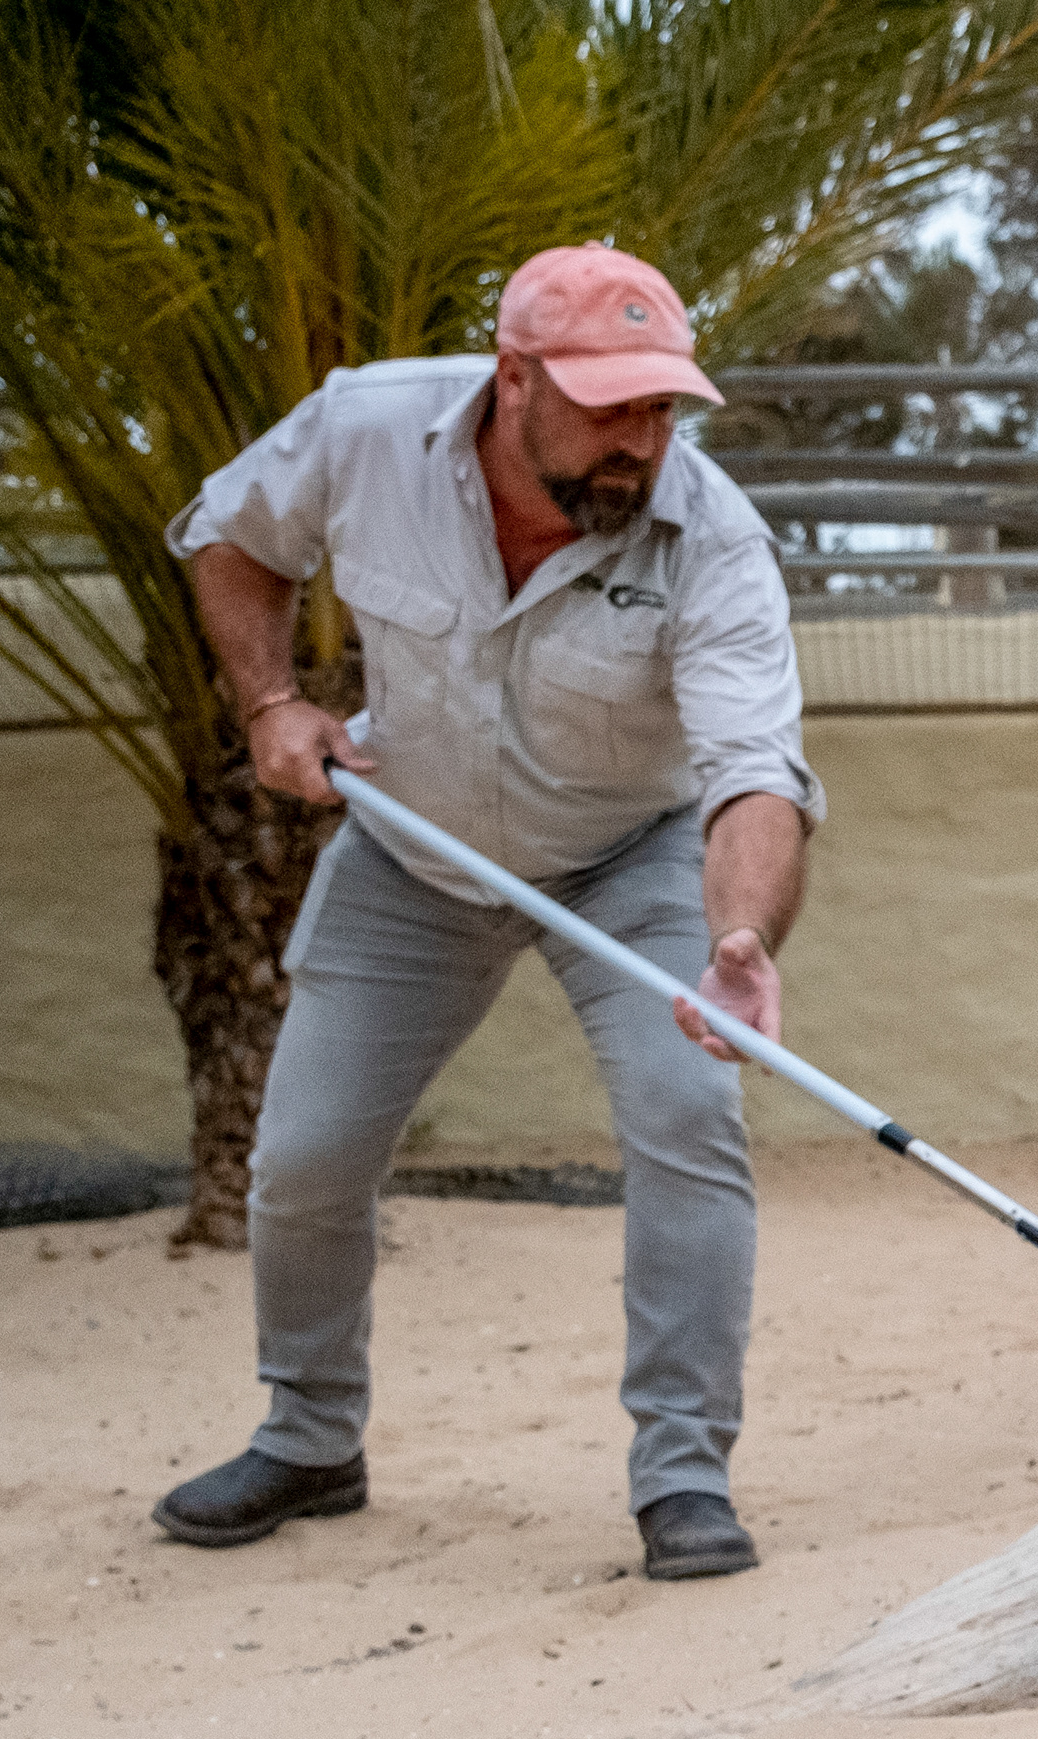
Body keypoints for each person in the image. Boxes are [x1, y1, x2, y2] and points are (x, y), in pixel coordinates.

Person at [151, 245, 823, 1580]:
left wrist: (740, 937)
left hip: (629, 861)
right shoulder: (362, 428)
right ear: (513, 379)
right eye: (608, 406)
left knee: (690, 1115)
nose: (641, 438)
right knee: (305, 1157)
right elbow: (229, 537)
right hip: (414, 850)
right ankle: (310, 1438)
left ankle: (683, 1474)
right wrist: (272, 701)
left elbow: (755, 771)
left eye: (661, 407)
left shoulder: (714, 535)